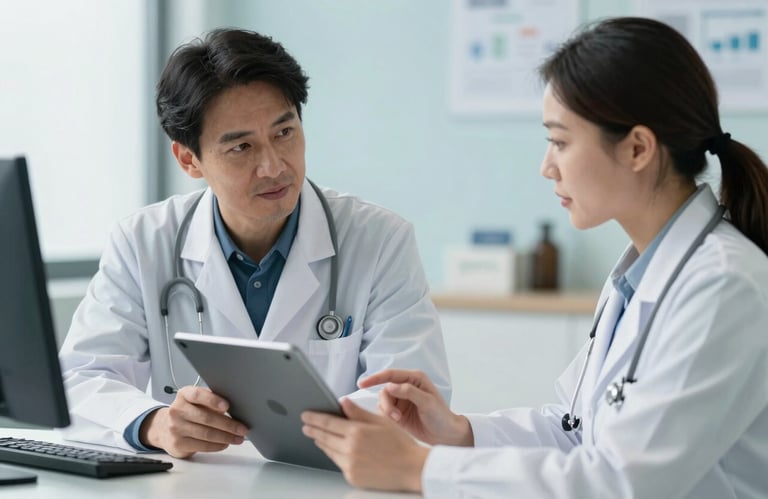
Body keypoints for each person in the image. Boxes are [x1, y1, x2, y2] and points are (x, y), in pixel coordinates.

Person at [301, 17, 768, 498]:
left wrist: (416, 469)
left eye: (560, 141)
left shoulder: (723, 286)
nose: (547, 167)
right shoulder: (638, 277)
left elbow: (623, 482)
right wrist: (459, 431)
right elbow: (574, 429)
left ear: (637, 149)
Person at [58, 28, 451, 458]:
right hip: (197, 481)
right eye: (242, 147)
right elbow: (80, 380)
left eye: (284, 133)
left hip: (332, 481)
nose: (273, 167)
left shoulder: (380, 239)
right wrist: (155, 423)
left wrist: (325, 433)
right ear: (189, 159)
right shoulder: (143, 242)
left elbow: (411, 398)